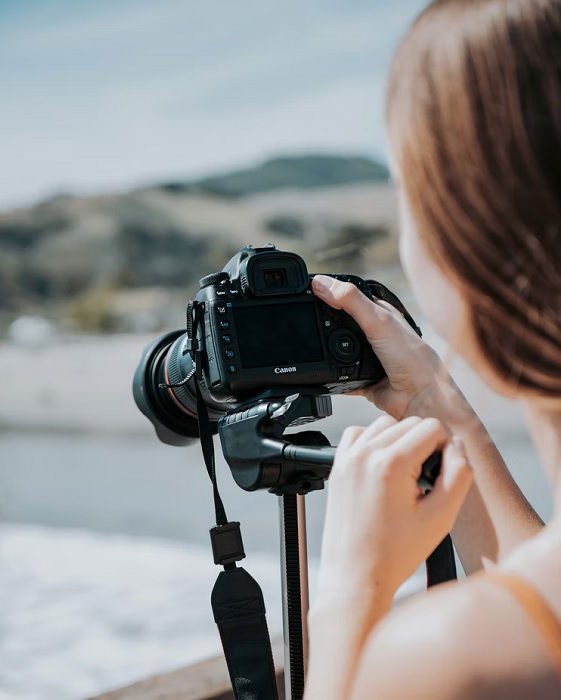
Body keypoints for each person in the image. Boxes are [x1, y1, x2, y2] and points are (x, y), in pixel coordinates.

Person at [304, 0, 561, 697]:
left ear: (474, 241)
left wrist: (353, 588)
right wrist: (434, 406)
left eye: (407, 195)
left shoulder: (449, 657)